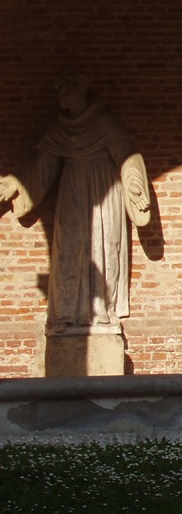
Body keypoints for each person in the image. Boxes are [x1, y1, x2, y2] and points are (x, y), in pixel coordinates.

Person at [0, 72, 151, 331]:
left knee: (102, 245)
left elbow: (127, 156)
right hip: (72, 190)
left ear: (78, 92)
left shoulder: (105, 123)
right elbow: (42, 164)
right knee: (68, 246)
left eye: (64, 91)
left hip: (103, 189)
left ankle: (99, 310)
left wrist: (135, 184)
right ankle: (67, 311)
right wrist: (15, 182)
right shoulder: (60, 130)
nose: (61, 96)